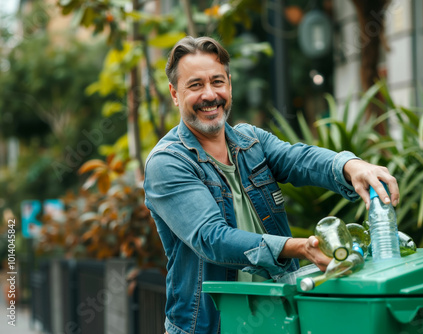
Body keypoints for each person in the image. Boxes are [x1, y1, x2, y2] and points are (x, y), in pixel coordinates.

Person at [143, 36, 400, 334]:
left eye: (217, 81)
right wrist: (298, 248)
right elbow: (211, 238)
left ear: (229, 83)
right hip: (209, 326)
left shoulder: (250, 140)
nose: (210, 95)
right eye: (196, 85)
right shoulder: (167, 162)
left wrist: (351, 166)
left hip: (276, 318)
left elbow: (298, 159)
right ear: (175, 94)